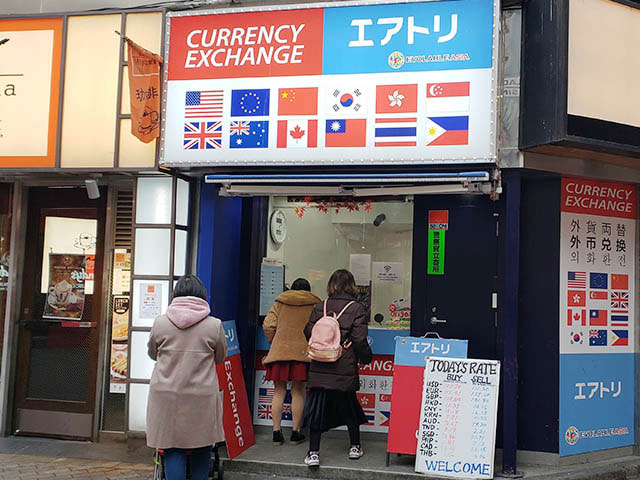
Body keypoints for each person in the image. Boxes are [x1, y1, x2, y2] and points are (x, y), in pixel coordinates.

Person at [146, 275, 227, 480]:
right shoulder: (214, 325)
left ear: (176, 295)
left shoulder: (160, 323)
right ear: (202, 295)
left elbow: (152, 353)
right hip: (202, 396)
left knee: (172, 447)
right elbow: (220, 357)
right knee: (202, 446)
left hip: (166, 395)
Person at [302, 269, 373, 467]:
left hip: (320, 364)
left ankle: (313, 453)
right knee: (348, 405)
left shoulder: (320, 306)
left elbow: (308, 331)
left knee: (317, 407)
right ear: (352, 286)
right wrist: (367, 358)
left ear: (331, 285)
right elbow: (359, 339)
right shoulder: (357, 308)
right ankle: (355, 447)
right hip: (343, 365)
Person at [263, 278, 321, 445]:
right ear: (308, 290)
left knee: (279, 391)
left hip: (280, 352)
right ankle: (296, 433)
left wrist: (275, 342)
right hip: (302, 353)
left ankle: (276, 432)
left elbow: (268, 325)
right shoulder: (314, 304)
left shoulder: (280, 302)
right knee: (298, 391)